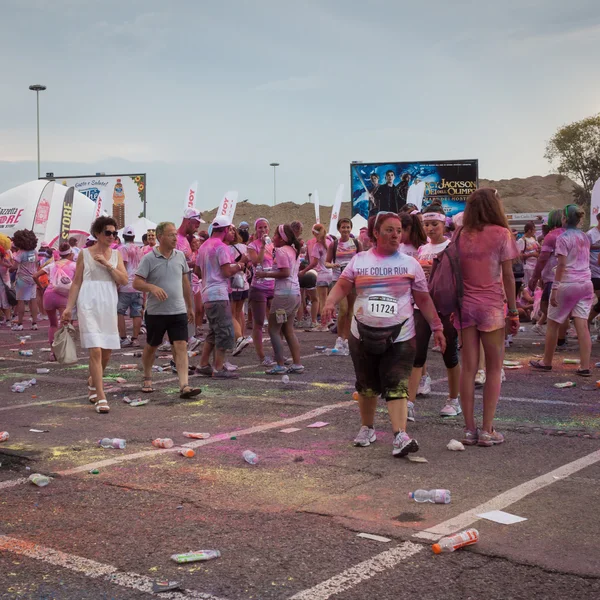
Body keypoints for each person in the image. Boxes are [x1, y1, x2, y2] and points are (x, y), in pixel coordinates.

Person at [323, 212, 445, 456]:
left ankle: (400, 435)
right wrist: (329, 302)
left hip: (400, 334)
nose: (395, 235)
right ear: (375, 234)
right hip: (362, 333)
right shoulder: (359, 261)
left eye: (399, 230)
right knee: (366, 384)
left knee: (397, 383)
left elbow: (423, 298)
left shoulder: (411, 264)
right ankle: (367, 429)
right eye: (389, 230)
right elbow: (343, 285)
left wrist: (437, 327)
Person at [455, 188, 519, 447]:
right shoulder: (502, 234)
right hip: (492, 307)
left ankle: (469, 430)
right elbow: (508, 276)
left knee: (468, 369)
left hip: (465, 307)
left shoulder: (459, 234)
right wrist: (513, 311)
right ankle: (487, 429)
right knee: (493, 369)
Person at [62, 216, 128, 414]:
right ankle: (101, 396)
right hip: (88, 302)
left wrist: (107, 264)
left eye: (114, 233)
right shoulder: (84, 254)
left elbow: (124, 280)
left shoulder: (116, 255)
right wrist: (68, 307)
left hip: (108, 303)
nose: (111, 236)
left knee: (107, 351)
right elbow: (76, 282)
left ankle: (92, 382)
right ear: (98, 234)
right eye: (108, 232)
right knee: (96, 350)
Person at [133, 222, 201, 398]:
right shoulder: (149, 258)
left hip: (178, 311)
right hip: (156, 312)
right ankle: (147, 376)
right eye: (171, 234)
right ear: (160, 237)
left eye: (175, 235)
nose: (174, 238)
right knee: (152, 346)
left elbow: (186, 283)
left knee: (181, 345)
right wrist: (152, 288)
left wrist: (190, 307)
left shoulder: (179, 257)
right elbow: (136, 282)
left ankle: (184, 385)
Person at [407, 205, 461, 419]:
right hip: (421, 306)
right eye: (426, 224)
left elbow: (459, 278)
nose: (430, 229)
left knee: (449, 355)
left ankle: (454, 399)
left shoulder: (452, 248)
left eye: (434, 224)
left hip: (445, 307)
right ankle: (409, 403)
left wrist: (437, 270)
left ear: (443, 224)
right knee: (416, 355)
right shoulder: (422, 249)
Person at [530, 205, 594, 376]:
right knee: (582, 324)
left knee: (552, 323)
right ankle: (585, 366)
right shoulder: (585, 237)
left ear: (564, 219)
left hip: (568, 283)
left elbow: (562, 265)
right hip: (586, 284)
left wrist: (556, 288)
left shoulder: (563, 238)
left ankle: (546, 361)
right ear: (579, 219)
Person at [194, 216, 243, 378]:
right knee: (224, 331)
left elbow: (197, 271)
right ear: (225, 229)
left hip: (207, 292)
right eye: (230, 229)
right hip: (218, 293)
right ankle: (218, 368)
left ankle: (203, 364)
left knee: (214, 332)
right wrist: (240, 266)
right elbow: (226, 271)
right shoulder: (221, 247)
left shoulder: (203, 247)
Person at [255, 224, 304, 374]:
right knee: (288, 329)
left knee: (273, 329)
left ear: (282, 239)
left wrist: (265, 275)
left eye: (276, 235)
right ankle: (297, 364)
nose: (273, 237)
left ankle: (280, 365)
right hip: (294, 294)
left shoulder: (281, 251)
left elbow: (285, 272)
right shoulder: (293, 250)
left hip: (284, 296)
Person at [528, 210, 567, 341]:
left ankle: (559, 339)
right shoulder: (572, 234)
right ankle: (561, 336)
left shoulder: (552, 236)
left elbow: (543, 258)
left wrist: (535, 277)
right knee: (550, 307)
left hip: (554, 278)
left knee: (554, 310)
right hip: (565, 278)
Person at [326, 218, 362, 352]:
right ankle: (339, 339)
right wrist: (333, 265)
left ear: (351, 228)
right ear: (339, 229)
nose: (345, 229)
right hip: (338, 280)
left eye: (348, 227)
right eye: (343, 227)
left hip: (353, 280)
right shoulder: (334, 244)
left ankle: (347, 339)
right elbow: (326, 262)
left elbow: (362, 260)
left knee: (351, 311)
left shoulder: (357, 243)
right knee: (343, 310)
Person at [33, 242, 75, 354]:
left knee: (53, 324)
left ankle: (53, 353)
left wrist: (42, 288)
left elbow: (35, 276)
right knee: (64, 324)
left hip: (49, 294)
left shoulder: (52, 265)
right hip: (63, 295)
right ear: (70, 253)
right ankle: (62, 351)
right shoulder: (73, 265)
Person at [247, 218, 276, 366]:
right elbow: (256, 262)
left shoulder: (274, 244)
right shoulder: (252, 245)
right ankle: (262, 356)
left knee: (277, 321)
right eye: (260, 228)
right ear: (255, 230)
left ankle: (277, 352)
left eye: (265, 227)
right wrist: (263, 247)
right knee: (258, 323)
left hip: (273, 286)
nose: (263, 230)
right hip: (258, 288)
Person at [300, 224, 331, 331]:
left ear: (314, 233)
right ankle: (329, 320)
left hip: (321, 274)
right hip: (330, 273)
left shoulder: (317, 246)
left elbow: (314, 263)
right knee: (327, 300)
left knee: (321, 301)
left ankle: (323, 324)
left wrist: (304, 271)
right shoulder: (329, 242)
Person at [117, 225, 144, 347]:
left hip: (125, 285)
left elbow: (122, 266)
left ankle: (123, 338)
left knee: (119, 312)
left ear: (123, 236)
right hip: (137, 285)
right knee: (137, 312)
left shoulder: (122, 249)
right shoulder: (139, 249)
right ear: (133, 237)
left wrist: (118, 283)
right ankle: (135, 338)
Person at [228, 229, 252, 357]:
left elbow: (228, 266)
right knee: (239, 312)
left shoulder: (227, 248)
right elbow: (249, 263)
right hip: (244, 283)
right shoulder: (245, 247)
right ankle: (241, 337)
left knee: (231, 314)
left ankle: (238, 339)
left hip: (233, 283)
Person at [11, 229, 39, 331]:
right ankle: (34, 323)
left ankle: (20, 324)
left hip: (22, 279)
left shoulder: (20, 253)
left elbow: (14, 267)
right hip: (33, 278)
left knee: (21, 301)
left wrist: (10, 268)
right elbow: (36, 264)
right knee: (33, 300)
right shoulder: (34, 252)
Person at [586, 212, 600, 326]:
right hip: (594, 271)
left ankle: (588, 321)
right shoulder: (590, 234)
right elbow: (584, 249)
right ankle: (587, 321)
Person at [517, 222, 540, 288]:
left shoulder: (534, 239)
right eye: (534, 230)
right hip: (527, 267)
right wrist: (532, 254)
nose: (535, 232)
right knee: (527, 286)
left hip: (535, 266)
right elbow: (520, 256)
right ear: (529, 230)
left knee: (535, 285)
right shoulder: (522, 240)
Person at [0, 234, 13, 326]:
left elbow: (11, 266)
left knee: (5, 302)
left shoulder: (5, 260)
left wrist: (3, 262)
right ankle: (6, 318)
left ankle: (8, 319)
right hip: (4, 283)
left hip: (4, 283)